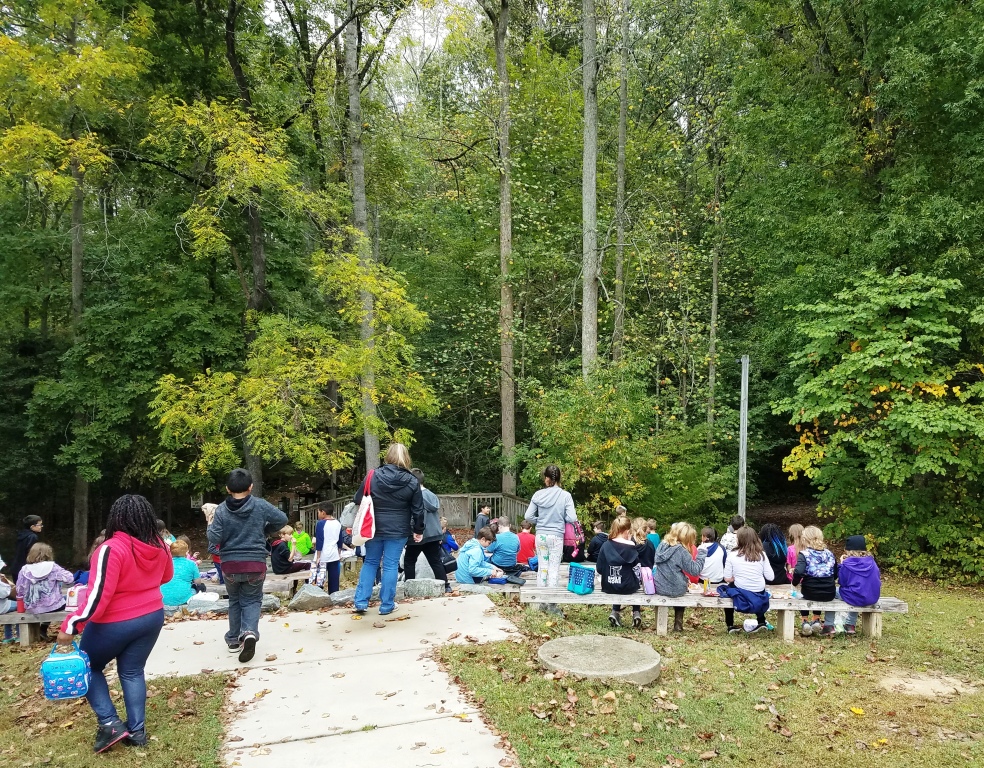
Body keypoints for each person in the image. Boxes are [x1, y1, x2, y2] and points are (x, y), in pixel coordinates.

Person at [56, 494, 174, 752]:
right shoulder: (161, 545)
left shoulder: (109, 548)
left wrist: (71, 625)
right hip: (152, 615)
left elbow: (98, 596)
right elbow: (167, 576)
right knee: (132, 671)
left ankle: (110, 723)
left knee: (87, 666)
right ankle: (137, 731)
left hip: (115, 621)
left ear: (116, 518)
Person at [207, 468, 288, 661]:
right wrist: (265, 531)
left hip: (230, 564)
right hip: (255, 562)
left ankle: (234, 640)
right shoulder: (260, 505)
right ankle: (249, 633)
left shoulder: (221, 510)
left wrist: (214, 525)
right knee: (252, 600)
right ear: (251, 487)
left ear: (227, 488)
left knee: (234, 600)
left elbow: (213, 537)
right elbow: (282, 519)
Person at [351, 443, 425, 617]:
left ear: (388, 456)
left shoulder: (373, 476)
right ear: (406, 458)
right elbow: (418, 510)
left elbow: (357, 498)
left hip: (373, 527)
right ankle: (386, 605)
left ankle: (361, 602)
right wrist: (418, 530)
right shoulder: (412, 481)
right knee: (391, 565)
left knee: (370, 562)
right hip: (398, 529)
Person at [524, 465, 578, 616]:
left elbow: (528, 516)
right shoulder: (565, 496)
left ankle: (541, 602)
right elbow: (572, 518)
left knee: (543, 567)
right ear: (559, 478)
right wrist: (561, 519)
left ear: (546, 478)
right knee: (554, 568)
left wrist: (539, 520)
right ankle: (552, 604)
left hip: (540, 535)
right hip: (556, 536)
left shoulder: (538, 495)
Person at [822, 534, 881, 637]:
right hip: (872, 596)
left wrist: (842, 564)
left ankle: (829, 625)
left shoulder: (848, 563)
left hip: (855, 596)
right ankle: (850, 625)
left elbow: (842, 582)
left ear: (848, 550)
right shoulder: (872, 562)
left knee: (831, 592)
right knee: (857, 591)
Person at [402, 469, 450, 591]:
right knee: (435, 561)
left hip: (417, 534)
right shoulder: (432, 495)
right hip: (433, 534)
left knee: (409, 561)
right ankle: (445, 586)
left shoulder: (412, 495)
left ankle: (410, 587)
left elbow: (414, 515)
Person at [653, 522, 705, 632]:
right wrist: (701, 554)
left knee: (680, 580)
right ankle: (678, 623)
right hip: (676, 588)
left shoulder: (662, 545)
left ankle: (667, 623)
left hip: (659, 586)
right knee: (681, 585)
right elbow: (695, 571)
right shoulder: (681, 551)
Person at [722, 527, 773, 633]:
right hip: (758, 591)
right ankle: (761, 621)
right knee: (758, 590)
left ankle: (730, 625)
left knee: (728, 589)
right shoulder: (762, 554)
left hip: (741, 591)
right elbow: (770, 577)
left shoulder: (732, 555)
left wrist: (736, 577)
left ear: (739, 539)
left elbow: (727, 578)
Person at [791, 525, 837, 636]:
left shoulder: (804, 554)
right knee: (818, 591)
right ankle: (816, 619)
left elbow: (798, 572)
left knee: (799, 594)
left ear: (804, 539)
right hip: (829, 593)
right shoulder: (829, 554)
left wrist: (794, 583)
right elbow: (835, 574)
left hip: (810, 592)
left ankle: (805, 621)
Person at [598, 516, 642, 628]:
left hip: (608, 586)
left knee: (618, 585)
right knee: (635, 581)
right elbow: (637, 570)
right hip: (628, 587)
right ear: (627, 531)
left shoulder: (605, 545)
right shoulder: (632, 548)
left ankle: (615, 612)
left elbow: (599, 568)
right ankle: (636, 612)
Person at [16, 543, 73, 614]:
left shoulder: (24, 570)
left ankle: (44, 624)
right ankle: (45, 624)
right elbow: (69, 579)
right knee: (70, 598)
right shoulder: (53, 567)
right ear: (48, 554)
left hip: (32, 609)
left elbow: (19, 590)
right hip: (54, 606)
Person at [160, 539, 204, 607]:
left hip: (163, 598)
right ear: (186, 552)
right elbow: (198, 582)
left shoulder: (163, 563)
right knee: (200, 587)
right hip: (184, 599)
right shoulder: (191, 564)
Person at [312, 505, 346, 593]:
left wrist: (318, 556)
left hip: (323, 555)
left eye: (318, 512)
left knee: (319, 579)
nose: (318, 514)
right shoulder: (337, 523)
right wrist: (339, 553)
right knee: (334, 579)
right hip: (334, 554)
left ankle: (319, 595)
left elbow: (320, 540)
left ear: (323, 512)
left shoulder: (321, 523)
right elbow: (340, 540)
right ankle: (334, 596)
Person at [11, 515, 43, 583]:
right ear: (32, 527)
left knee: (19, 592)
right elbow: (32, 555)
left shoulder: (21, 535)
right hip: (26, 570)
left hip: (16, 568)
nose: (41, 526)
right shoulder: (32, 537)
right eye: (39, 525)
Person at [202, 503, 223, 584]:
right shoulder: (221, 523)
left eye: (205, 512)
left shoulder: (213, 526)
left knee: (225, 583)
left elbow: (211, 548)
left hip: (221, 559)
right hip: (222, 559)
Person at [1, 556, 18, 643]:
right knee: (20, 606)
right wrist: (6, 583)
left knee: (9, 610)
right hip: (2, 607)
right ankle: (20, 634)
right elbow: (4, 593)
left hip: (3, 605)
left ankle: (8, 636)